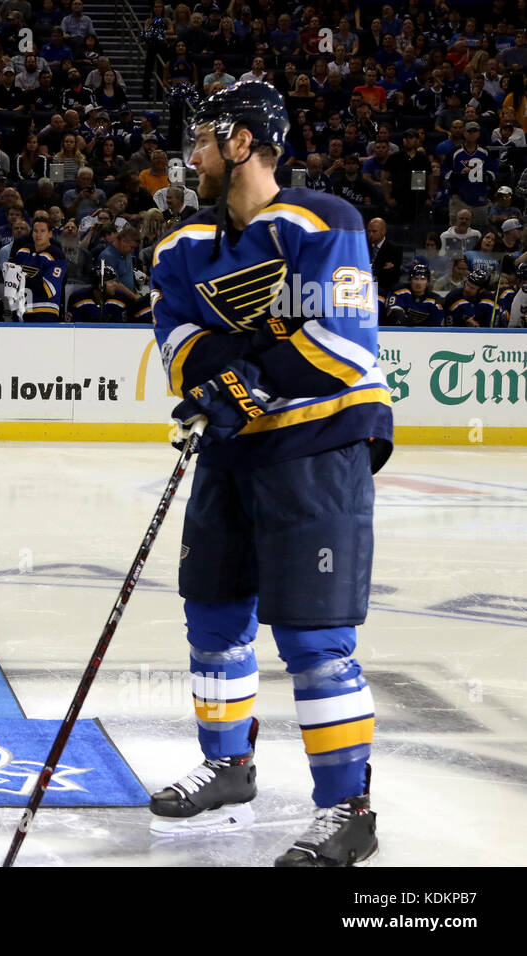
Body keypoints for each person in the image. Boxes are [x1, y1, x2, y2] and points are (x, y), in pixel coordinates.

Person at [150, 82, 392, 866]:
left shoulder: (326, 222)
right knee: (213, 617)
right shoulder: (179, 247)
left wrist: (241, 379)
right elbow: (182, 351)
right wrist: (231, 380)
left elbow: (345, 347)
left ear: (244, 142)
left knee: (316, 636)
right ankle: (230, 763)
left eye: (204, 140)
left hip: (319, 450)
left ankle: (348, 808)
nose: (192, 156)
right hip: (230, 453)